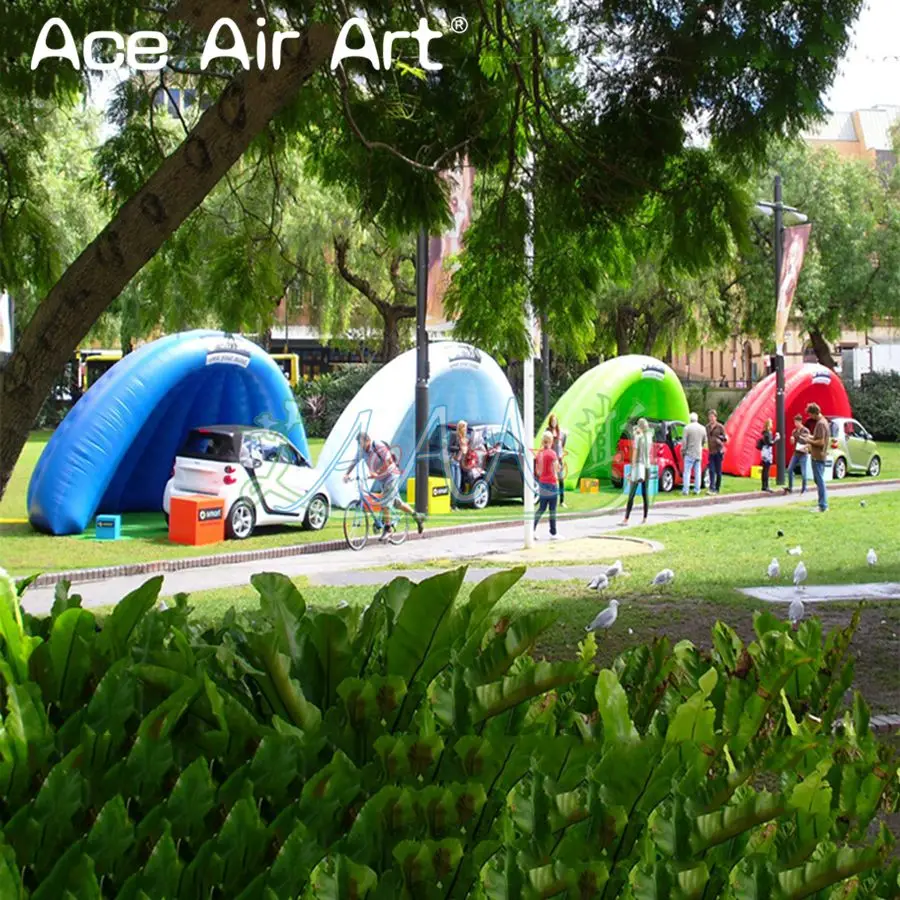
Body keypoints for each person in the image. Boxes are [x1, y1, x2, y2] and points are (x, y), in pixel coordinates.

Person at [343, 432, 425, 537]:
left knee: (385, 502)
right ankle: (416, 516)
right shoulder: (362, 451)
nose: (361, 446)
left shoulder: (377, 445)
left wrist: (377, 472)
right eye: (359, 443)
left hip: (391, 476)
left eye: (362, 443)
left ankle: (388, 529)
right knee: (397, 503)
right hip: (382, 480)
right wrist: (347, 474)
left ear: (368, 440)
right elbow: (354, 462)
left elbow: (389, 461)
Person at [621, 418, 651, 526]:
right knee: (645, 493)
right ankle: (645, 518)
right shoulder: (649, 437)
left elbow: (635, 452)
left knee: (632, 493)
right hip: (647, 466)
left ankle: (626, 518)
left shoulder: (638, 437)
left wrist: (632, 468)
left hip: (638, 466)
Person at [533, 431, 560, 540]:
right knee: (552, 509)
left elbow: (538, 471)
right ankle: (553, 532)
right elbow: (556, 469)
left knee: (541, 508)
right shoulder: (553, 454)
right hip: (552, 483)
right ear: (551, 441)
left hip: (542, 483)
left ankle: (532, 529)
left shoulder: (539, 453)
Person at [804, 402, 830, 513]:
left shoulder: (820, 424)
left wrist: (808, 440)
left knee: (819, 480)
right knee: (818, 479)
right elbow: (818, 438)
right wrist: (810, 436)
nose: (810, 417)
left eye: (810, 414)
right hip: (820, 455)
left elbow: (820, 442)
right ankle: (822, 504)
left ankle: (823, 505)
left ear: (814, 413)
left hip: (818, 456)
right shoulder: (824, 422)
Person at [784, 414, 810, 494]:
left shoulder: (805, 430)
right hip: (796, 453)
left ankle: (804, 488)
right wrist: (791, 440)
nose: (796, 424)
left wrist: (805, 447)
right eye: (795, 422)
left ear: (800, 422)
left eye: (797, 422)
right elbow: (792, 443)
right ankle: (790, 487)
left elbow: (809, 442)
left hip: (803, 453)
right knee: (789, 469)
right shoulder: (794, 431)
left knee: (803, 472)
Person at [681, 412, 706, 496]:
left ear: (690, 419)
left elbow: (684, 442)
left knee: (687, 472)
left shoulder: (687, 428)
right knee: (697, 472)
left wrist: (683, 451)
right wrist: (700, 446)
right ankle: (697, 490)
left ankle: (685, 490)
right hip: (698, 453)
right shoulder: (702, 428)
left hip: (689, 453)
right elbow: (704, 441)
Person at [705, 409, 728, 494]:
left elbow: (725, 438)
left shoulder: (720, 427)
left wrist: (720, 439)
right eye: (709, 417)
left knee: (718, 471)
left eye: (712, 417)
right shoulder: (707, 427)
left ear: (715, 417)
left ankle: (717, 487)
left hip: (718, 451)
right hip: (711, 451)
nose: (711, 419)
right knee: (711, 470)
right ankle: (711, 487)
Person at [547, 413, 567, 507]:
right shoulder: (547, 432)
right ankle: (550, 500)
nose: (554, 422)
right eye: (552, 421)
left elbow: (563, 444)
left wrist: (561, 454)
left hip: (558, 459)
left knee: (561, 480)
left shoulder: (561, 433)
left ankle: (562, 501)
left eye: (555, 421)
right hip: (551, 460)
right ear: (550, 422)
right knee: (551, 480)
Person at [757, 418, 779, 492]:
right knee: (767, 469)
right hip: (768, 452)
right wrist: (776, 438)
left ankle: (763, 485)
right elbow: (770, 443)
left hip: (763, 451)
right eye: (771, 424)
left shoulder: (763, 433)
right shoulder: (768, 433)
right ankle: (766, 486)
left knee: (764, 469)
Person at [449, 420, 468, 501]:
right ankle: (450, 503)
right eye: (465, 428)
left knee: (458, 484)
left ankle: (454, 504)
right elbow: (449, 447)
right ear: (461, 428)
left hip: (459, 463)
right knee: (453, 483)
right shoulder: (454, 435)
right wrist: (460, 448)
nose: (466, 430)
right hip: (453, 460)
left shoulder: (465, 439)